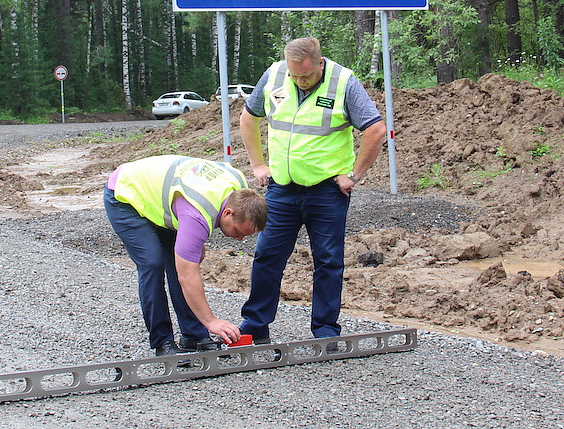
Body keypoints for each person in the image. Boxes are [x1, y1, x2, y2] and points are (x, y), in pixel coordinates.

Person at [238, 36, 385, 344]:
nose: (300, 81)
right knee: (267, 255)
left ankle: (325, 331)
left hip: (327, 190)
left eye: (306, 75)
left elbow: (375, 129)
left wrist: (354, 175)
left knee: (328, 260)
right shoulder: (275, 75)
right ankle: (254, 326)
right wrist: (258, 165)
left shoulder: (343, 82)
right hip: (282, 188)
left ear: (320, 63)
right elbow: (248, 118)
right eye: (295, 75)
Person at [105, 155, 267, 356]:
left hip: (166, 194)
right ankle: (162, 342)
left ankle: (193, 336)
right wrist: (211, 321)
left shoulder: (239, 187)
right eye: (238, 231)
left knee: (179, 262)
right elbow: (187, 276)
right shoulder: (196, 214)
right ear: (228, 213)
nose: (240, 239)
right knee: (153, 264)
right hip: (126, 193)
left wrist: (194, 243)